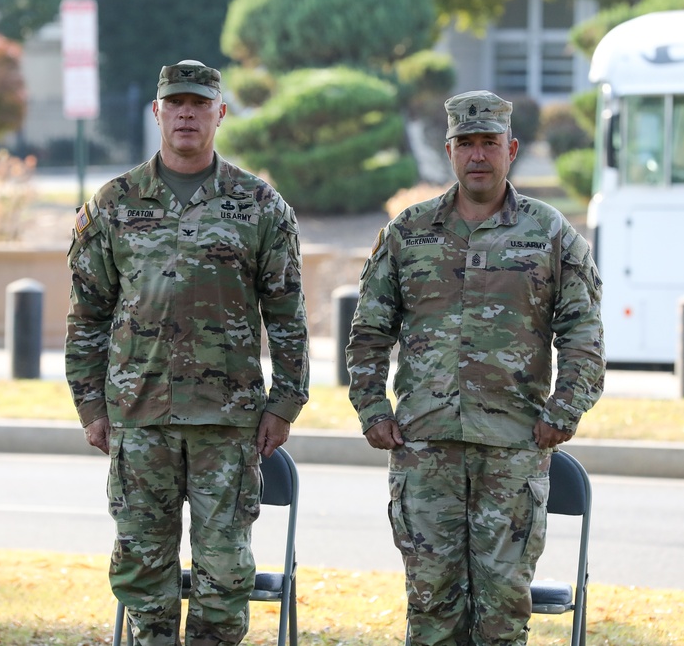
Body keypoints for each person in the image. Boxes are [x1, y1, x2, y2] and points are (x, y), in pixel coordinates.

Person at [346, 90, 605, 645]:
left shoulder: (550, 234)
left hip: (513, 451)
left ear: (511, 148)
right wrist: (371, 408)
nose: (478, 155)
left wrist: (565, 409)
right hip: (426, 451)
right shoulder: (408, 233)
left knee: (503, 614)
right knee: (431, 609)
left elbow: (584, 335)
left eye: (490, 142)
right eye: (467, 143)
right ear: (450, 151)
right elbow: (369, 333)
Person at [65, 59, 309, 646]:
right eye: (176, 104)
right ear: (157, 112)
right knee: (144, 572)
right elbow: (87, 315)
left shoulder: (258, 205)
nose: (187, 115)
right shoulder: (115, 203)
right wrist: (91, 408)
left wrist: (284, 405)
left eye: (199, 105)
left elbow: (287, 317)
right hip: (139, 415)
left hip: (228, 422)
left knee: (224, 575)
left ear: (220, 114)